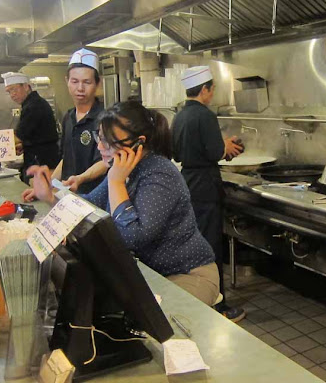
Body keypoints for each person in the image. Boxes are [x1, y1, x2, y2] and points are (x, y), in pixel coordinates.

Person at [27, 101, 220, 306]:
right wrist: (50, 197)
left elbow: (132, 237)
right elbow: (89, 207)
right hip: (150, 275)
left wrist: (116, 182)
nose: (100, 147)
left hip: (188, 275)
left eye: (109, 142)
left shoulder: (159, 174)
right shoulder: (122, 170)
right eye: (99, 139)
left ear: (139, 142)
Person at [171, 65, 245, 322]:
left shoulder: (179, 116)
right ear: (204, 90)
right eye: (211, 89)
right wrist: (225, 146)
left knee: (196, 243)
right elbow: (215, 153)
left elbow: (177, 154)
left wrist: (220, 145)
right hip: (206, 185)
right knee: (212, 246)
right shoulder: (205, 115)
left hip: (188, 183)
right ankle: (218, 304)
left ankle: (199, 296)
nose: (212, 94)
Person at [23, 48, 108, 201]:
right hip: (69, 197)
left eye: (87, 82)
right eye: (74, 81)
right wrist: (47, 187)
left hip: (95, 198)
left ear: (97, 83)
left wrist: (81, 178)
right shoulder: (68, 118)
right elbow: (66, 158)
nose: (80, 88)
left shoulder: (105, 118)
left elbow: (106, 161)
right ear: (67, 81)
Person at [1, 72, 60, 182]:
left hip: (42, 161)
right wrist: (23, 145)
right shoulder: (31, 103)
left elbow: (18, 137)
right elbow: (34, 135)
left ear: (26, 86)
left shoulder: (34, 105)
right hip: (39, 158)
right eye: (9, 92)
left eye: (14, 89)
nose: (12, 94)